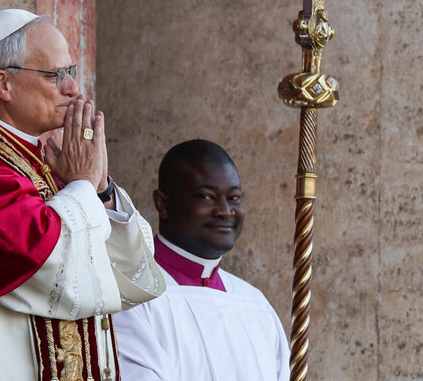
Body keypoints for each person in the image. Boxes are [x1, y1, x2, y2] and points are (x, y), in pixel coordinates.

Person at [0, 9, 165, 381]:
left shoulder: (51, 161)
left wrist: (100, 190)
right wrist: (83, 185)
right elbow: (39, 257)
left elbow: (131, 276)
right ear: (3, 84)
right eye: (56, 76)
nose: (73, 90)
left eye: (72, 73)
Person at [114, 139, 291, 380]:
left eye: (234, 198)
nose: (226, 211)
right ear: (162, 204)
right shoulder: (132, 295)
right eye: (207, 197)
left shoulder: (254, 304)